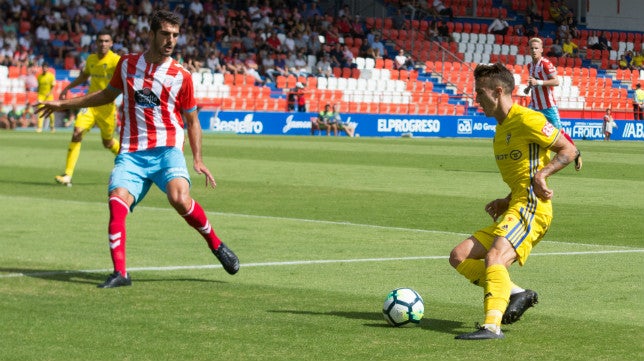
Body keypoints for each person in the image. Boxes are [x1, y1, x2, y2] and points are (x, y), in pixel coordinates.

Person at [36, 10, 240, 289]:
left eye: (175, 36)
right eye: (165, 34)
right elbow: (107, 95)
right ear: (151, 34)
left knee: (179, 198)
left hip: (167, 149)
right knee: (116, 201)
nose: (171, 41)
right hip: (131, 152)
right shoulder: (127, 64)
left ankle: (216, 244)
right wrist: (64, 104)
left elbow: (192, 121)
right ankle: (121, 273)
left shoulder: (181, 76)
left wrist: (198, 159)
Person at [450, 62, 578, 340]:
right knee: (459, 256)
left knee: (495, 257)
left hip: (533, 206)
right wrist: (506, 199)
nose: (476, 99)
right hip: (517, 204)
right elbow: (524, 173)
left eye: (479, 93)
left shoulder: (526, 119)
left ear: (498, 91)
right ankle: (516, 293)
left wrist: (544, 175)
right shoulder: (500, 131)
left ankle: (491, 326)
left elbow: (569, 149)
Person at [54, 30, 121, 187]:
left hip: (107, 107)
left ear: (111, 44)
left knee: (108, 143)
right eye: (100, 41)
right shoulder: (91, 59)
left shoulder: (116, 60)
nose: (103, 44)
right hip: (90, 104)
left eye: (106, 41)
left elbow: (126, 77)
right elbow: (84, 76)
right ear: (96, 43)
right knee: (77, 133)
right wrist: (67, 88)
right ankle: (67, 175)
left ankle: (129, 159)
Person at [524, 37, 582, 171]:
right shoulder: (529, 66)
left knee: (559, 132)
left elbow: (556, 81)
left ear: (542, 50)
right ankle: (532, 160)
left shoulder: (545, 64)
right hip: (534, 106)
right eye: (532, 48)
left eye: (536, 48)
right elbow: (534, 82)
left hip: (548, 106)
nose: (534, 50)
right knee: (527, 128)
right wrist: (529, 88)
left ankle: (575, 152)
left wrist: (537, 83)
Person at [36, 62, 56, 133]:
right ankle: (39, 127)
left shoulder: (51, 76)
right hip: (41, 96)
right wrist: (37, 95)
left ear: (48, 68)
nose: (44, 69)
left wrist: (49, 93)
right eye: (43, 67)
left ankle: (52, 126)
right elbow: (38, 87)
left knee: (50, 112)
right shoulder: (39, 76)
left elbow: (53, 86)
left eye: (45, 67)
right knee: (40, 111)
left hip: (49, 97)